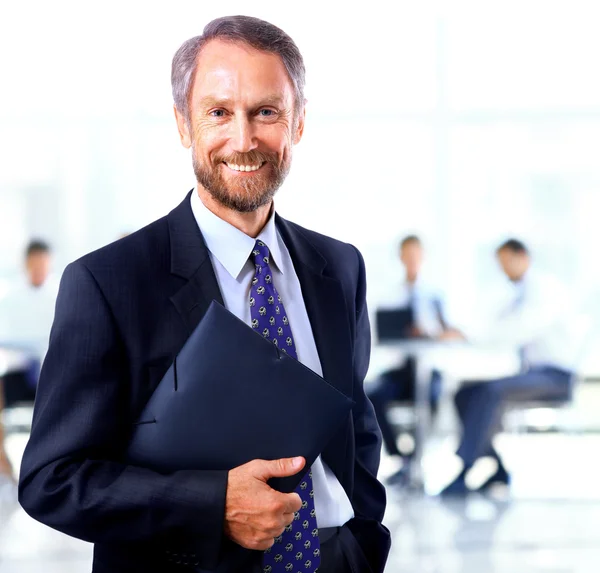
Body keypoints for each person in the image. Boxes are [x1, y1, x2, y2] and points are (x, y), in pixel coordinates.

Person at [18, 16, 390, 573]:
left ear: (298, 124)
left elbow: (355, 430)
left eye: (267, 111)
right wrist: (214, 503)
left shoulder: (339, 268)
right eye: (219, 112)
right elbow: (53, 479)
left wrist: (363, 542)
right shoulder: (109, 283)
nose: (243, 140)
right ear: (183, 125)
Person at [441, 239, 577, 496]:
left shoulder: (544, 289)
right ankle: (498, 468)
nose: (504, 270)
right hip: (534, 374)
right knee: (464, 394)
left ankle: (464, 471)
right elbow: (497, 324)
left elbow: (518, 328)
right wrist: (464, 331)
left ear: (522, 256)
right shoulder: (522, 292)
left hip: (556, 376)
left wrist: (468, 335)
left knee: (492, 392)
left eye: (506, 263)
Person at [368, 235, 460, 484]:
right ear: (400, 258)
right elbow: (381, 332)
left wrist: (429, 332)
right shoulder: (391, 295)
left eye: (415, 254)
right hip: (401, 369)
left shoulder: (436, 294)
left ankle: (417, 459)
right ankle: (402, 457)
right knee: (371, 395)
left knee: (430, 397)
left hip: (429, 369)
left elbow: (451, 332)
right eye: (406, 255)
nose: (411, 260)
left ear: (422, 256)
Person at [0, 240, 57, 480]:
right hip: (21, 371)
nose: (39, 269)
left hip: (50, 371)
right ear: (26, 264)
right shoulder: (10, 298)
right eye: (34, 264)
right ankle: (3, 462)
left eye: (43, 264)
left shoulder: (60, 293)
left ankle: (53, 463)